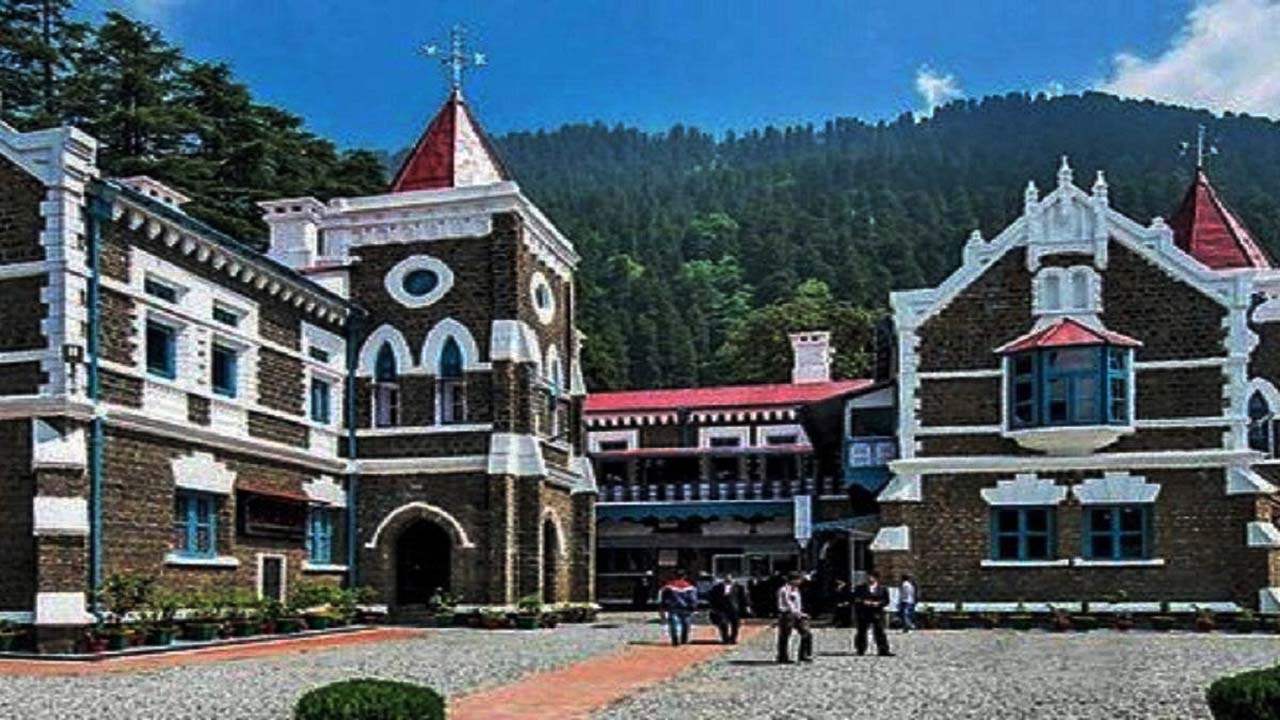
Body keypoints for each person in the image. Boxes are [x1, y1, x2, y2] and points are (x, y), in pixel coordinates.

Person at [852, 570, 893, 656]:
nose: (869, 578)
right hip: (864, 612)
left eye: (871, 577)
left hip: (876, 612)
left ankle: (883, 650)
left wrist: (878, 603)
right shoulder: (860, 588)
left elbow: (886, 600)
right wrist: (863, 602)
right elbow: (855, 599)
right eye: (868, 577)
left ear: (876, 578)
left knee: (879, 631)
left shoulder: (882, 589)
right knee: (862, 631)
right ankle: (861, 649)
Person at [776, 572, 813, 664]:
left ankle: (804, 654)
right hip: (787, 614)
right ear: (792, 580)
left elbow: (797, 604)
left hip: (797, 615)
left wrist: (800, 613)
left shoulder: (796, 590)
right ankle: (782, 656)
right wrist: (798, 613)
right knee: (785, 636)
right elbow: (788, 603)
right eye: (798, 580)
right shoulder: (784, 590)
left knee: (807, 633)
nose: (800, 582)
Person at [658, 569, 698, 646]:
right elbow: (693, 598)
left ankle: (675, 639)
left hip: (673, 608)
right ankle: (684, 639)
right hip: (686, 608)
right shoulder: (690, 587)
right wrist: (693, 607)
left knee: (673, 624)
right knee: (686, 624)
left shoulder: (668, 587)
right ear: (685, 576)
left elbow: (663, 598)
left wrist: (662, 607)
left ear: (674, 576)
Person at [707, 574, 750, 644]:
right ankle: (725, 638)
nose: (728, 579)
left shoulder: (739, 587)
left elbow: (744, 597)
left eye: (730, 578)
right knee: (723, 623)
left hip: (734, 609)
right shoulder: (717, 588)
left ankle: (733, 639)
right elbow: (712, 598)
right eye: (726, 578)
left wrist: (747, 606)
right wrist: (712, 607)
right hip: (721, 609)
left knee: (735, 625)